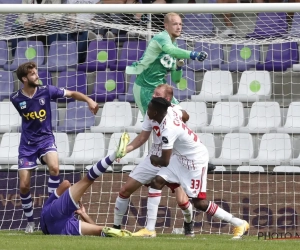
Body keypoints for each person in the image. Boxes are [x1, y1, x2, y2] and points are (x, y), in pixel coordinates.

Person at [132, 97, 249, 239]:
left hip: (195, 161)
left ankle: (239, 223)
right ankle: (149, 230)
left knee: (199, 203)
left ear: (155, 112)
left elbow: (165, 161)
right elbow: (185, 115)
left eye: (149, 109)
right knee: (157, 182)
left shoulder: (168, 130)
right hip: (181, 158)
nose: (147, 111)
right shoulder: (167, 114)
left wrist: (153, 158)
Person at [10, 62, 99, 233]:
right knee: (23, 186)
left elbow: (72, 93)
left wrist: (89, 100)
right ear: (24, 79)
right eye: (33, 74)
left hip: (45, 140)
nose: (37, 76)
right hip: (27, 146)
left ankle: (51, 209)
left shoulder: (47, 90)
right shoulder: (16, 99)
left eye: (36, 72)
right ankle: (30, 222)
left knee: (55, 167)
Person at [113, 84, 195, 237]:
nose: (153, 96)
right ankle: (116, 227)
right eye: (153, 93)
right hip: (154, 158)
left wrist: (180, 113)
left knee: (182, 201)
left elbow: (186, 116)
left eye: (157, 94)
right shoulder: (151, 112)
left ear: (167, 99)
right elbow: (143, 137)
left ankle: (188, 224)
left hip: (173, 159)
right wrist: (126, 150)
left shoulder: (174, 111)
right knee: (125, 190)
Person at [40, 132, 132, 237]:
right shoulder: (57, 206)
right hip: (62, 224)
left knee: (99, 230)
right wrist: (74, 199)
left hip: (54, 226)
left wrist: (82, 211)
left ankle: (121, 234)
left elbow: (65, 184)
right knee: (88, 179)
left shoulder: (49, 204)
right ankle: (114, 155)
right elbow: (65, 184)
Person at [126, 12, 208, 117]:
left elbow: (176, 79)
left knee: (180, 116)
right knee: (153, 123)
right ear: (166, 26)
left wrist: (178, 66)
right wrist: (194, 54)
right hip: (144, 88)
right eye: (175, 24)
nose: (178, 27)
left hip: (161, 89)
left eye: (180, 24)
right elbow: (171, 50)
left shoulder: (174, 45)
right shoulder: (162, 37)